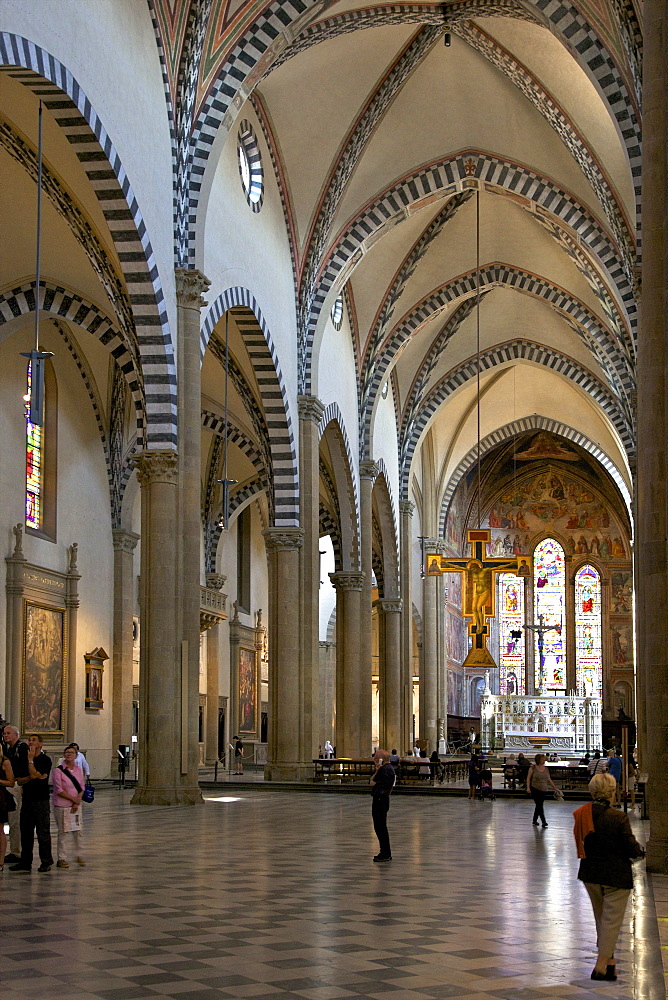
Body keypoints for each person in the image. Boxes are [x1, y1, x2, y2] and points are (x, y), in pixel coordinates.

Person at [573, 772, 644, 981]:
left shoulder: (582, 813)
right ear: (612, 792)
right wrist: (640, 851)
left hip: (591, 873)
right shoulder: (618, 817)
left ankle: (611, 962)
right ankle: (600, 966)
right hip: (615, 876)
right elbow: (631, 847)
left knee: (602, 919)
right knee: (611, 922)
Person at [10, 734, 54, 873]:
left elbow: (38, 776)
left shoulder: (45, 760)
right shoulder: (23, 759)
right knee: (26, 831)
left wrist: (30, 763)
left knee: (43, 832)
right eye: (29, 740)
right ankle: (25, 862)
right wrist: (31, 775)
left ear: (41, 744)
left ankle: (46, 861)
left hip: (41, 800)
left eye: (33, 740)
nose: (30, 742)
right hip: (27, 799)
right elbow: (20, 780)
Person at [52, 745, 85, 868]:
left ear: (76, 755)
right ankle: (62, 858)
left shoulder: (78, 770)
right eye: (67, 752)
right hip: (62, 805)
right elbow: (59, 789)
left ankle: (79, 855)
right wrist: (72, 799)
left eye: (71, 752)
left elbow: (81, 786)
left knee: (78, 830)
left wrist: (77, 801)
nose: (69, 754)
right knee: (63, 832)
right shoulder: (58, 771)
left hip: (76, 805)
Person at [2, 724, 28, 863]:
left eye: (8, 733)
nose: (6, 736)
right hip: (9, 785)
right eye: (4, 733)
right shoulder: (8, 749)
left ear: (16, 735)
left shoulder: (22, 748)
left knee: (14, 821)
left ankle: (16, 852)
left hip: (17, 785)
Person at [370, 749, 395, 862]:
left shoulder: (385, 769)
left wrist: (377, 770)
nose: (374, 760)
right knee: (380, 827)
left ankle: (385, 853)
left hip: (380, 800)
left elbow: (372, 782)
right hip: (382, 800)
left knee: (380, 827)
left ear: (381, 759)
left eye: (376, 758)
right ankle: (384, 852)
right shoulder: (388, 769)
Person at [526, 753, 559, 827]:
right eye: (542, 759)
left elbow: (548, 779)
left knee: (539, 805)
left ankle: (534, 820)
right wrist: (528, 787)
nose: (544, 760)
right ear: (538, 760)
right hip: (535, 788)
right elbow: (528, 778)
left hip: (544, 789)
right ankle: (544, 821)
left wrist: (555, 787)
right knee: (539, 805)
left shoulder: (546, 769)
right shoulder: (533, 768)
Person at [0, 746, 16, 871]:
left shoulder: (4, 761)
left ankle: (0, 861)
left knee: (0, 830)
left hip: (0, 798)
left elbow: (11, 781)